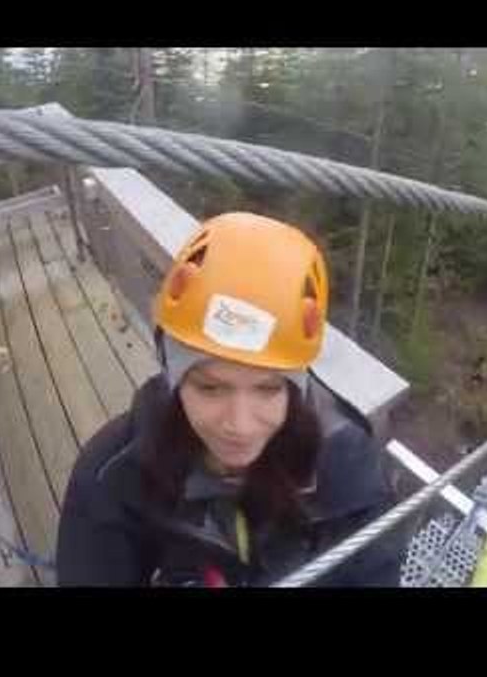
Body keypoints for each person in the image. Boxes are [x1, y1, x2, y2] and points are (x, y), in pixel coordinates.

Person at [56, 211, 406, 587]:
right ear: (174, 378)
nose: (239, 425)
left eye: (269, 389)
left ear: (296, 388)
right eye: (210, 388)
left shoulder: (349, 471)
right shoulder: (112, 475)